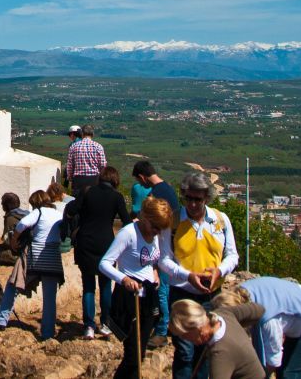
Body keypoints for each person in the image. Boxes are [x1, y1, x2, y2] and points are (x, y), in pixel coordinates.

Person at [159, 171, 240, 379]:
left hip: (212, 295)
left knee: (206, 350)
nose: (192, 204)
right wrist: (188, 275)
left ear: (206, 198)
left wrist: (219, 271)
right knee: (185, 351)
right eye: (188, 198)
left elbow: (232, 255)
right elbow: (164, 260)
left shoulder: (220, 220)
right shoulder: (174, 221)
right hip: (183, 293)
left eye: (198, 199)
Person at [99, 198, 174, 379]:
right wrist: (123, 278)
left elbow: (154, 261)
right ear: (145, 217)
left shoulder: (158, 235)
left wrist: (155, 272)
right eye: (154, 226)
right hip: (129, 297)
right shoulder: (128, 233)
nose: (157, 232)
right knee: (133, 354)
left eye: (160, 228)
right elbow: (104, 263)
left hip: (148, 295)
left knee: (140, 352)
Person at [212, 277, 301, 379]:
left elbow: (273, 360)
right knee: (282, 371)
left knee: (292, 375)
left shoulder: (267, 319)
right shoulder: (243, 293)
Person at [67, 165, 131, 339]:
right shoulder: (117, 197)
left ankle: (88, 326)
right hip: (106, 244)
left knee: (88, 286)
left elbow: (72, 210)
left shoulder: (87, 192)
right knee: (105, 286)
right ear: (115, 180)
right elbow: (126, 221)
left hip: (85, 242)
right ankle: (105, 323)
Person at [0, 189, 64, 341]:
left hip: (35, 256)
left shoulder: (38, 212)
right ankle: (47, 333)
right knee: (49, 298)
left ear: (36, 203)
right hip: (53, 258)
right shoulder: (59, 214)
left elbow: (22, 225)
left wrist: (14, 241)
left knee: (13, 285)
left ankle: (0, 320)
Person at [130, 159, 180, 347]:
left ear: (142, 177)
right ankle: (165, 326)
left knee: (162, 288)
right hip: (171, 244)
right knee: (165, 289)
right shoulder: (167, 188)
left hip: (163, 247)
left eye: (139, 180)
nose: (140, 184)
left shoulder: (157, 194)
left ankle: (161, 332)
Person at [170, 299, 266, 379]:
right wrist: (239, 329)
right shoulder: (224, 314)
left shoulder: (220, 355)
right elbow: (258, 309)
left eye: (183, 335)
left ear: (197, 328)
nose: (183, 338)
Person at [0, 192, 28, 275]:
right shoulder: (25, 214)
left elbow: (8, 242)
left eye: (2, 203)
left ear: (7, 205)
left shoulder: (10, 218)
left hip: (16, 255)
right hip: (27, 252)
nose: (1, 205)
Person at [66, 125, 106, 196]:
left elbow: (69, 166)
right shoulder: (98, 146)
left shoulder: (73, 146)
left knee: (78, 203)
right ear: (92, 134)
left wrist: (70, 178)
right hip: (94, 179)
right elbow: (103, 165)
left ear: (82, 134)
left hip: (78, 179)